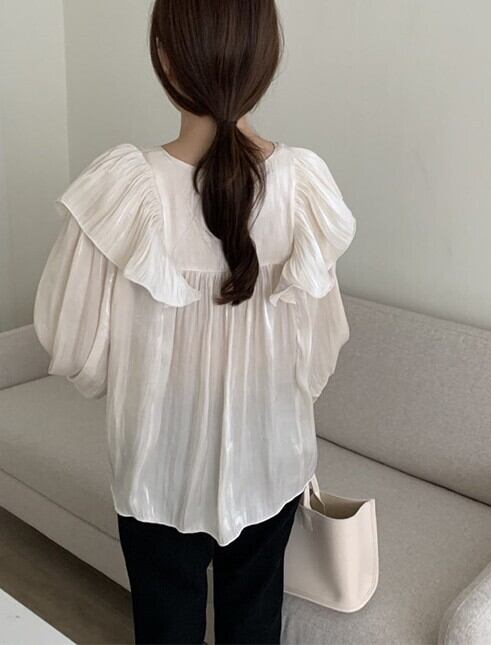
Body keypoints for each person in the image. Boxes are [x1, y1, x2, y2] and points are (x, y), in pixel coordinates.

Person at [33, 0, 356, 643]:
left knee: (165, 629)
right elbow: (320, 349)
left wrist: (137, 379)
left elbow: (72, 344)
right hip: (272, 460)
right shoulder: (303, 184)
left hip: (158, 467)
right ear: (265, 61)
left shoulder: (125, 187)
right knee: (255, 626)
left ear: (165, 57)